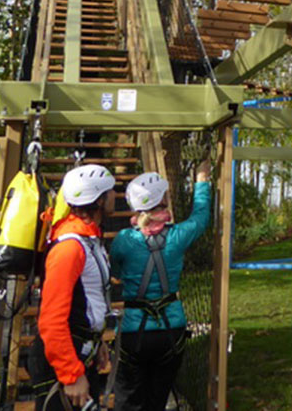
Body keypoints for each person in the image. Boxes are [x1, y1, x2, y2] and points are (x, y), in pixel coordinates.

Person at [110, 160, 213, 411]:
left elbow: (115, 271)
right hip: (171, 329)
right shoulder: (177, 236)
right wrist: (202, 179)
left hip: (135, 332)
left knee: (129, 398)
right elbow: (200, 216)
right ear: (161, 201)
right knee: (157, 399)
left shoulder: (124, 240)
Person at [29, 164, 118, 411]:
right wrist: (70, 374)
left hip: (80, 354)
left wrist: (96, 341)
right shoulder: (70, 247)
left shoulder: (89, 239)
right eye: (111, 191)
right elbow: (51, 319)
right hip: (63, 364)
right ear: (100, 200)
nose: (115, 196)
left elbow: (88, 297)